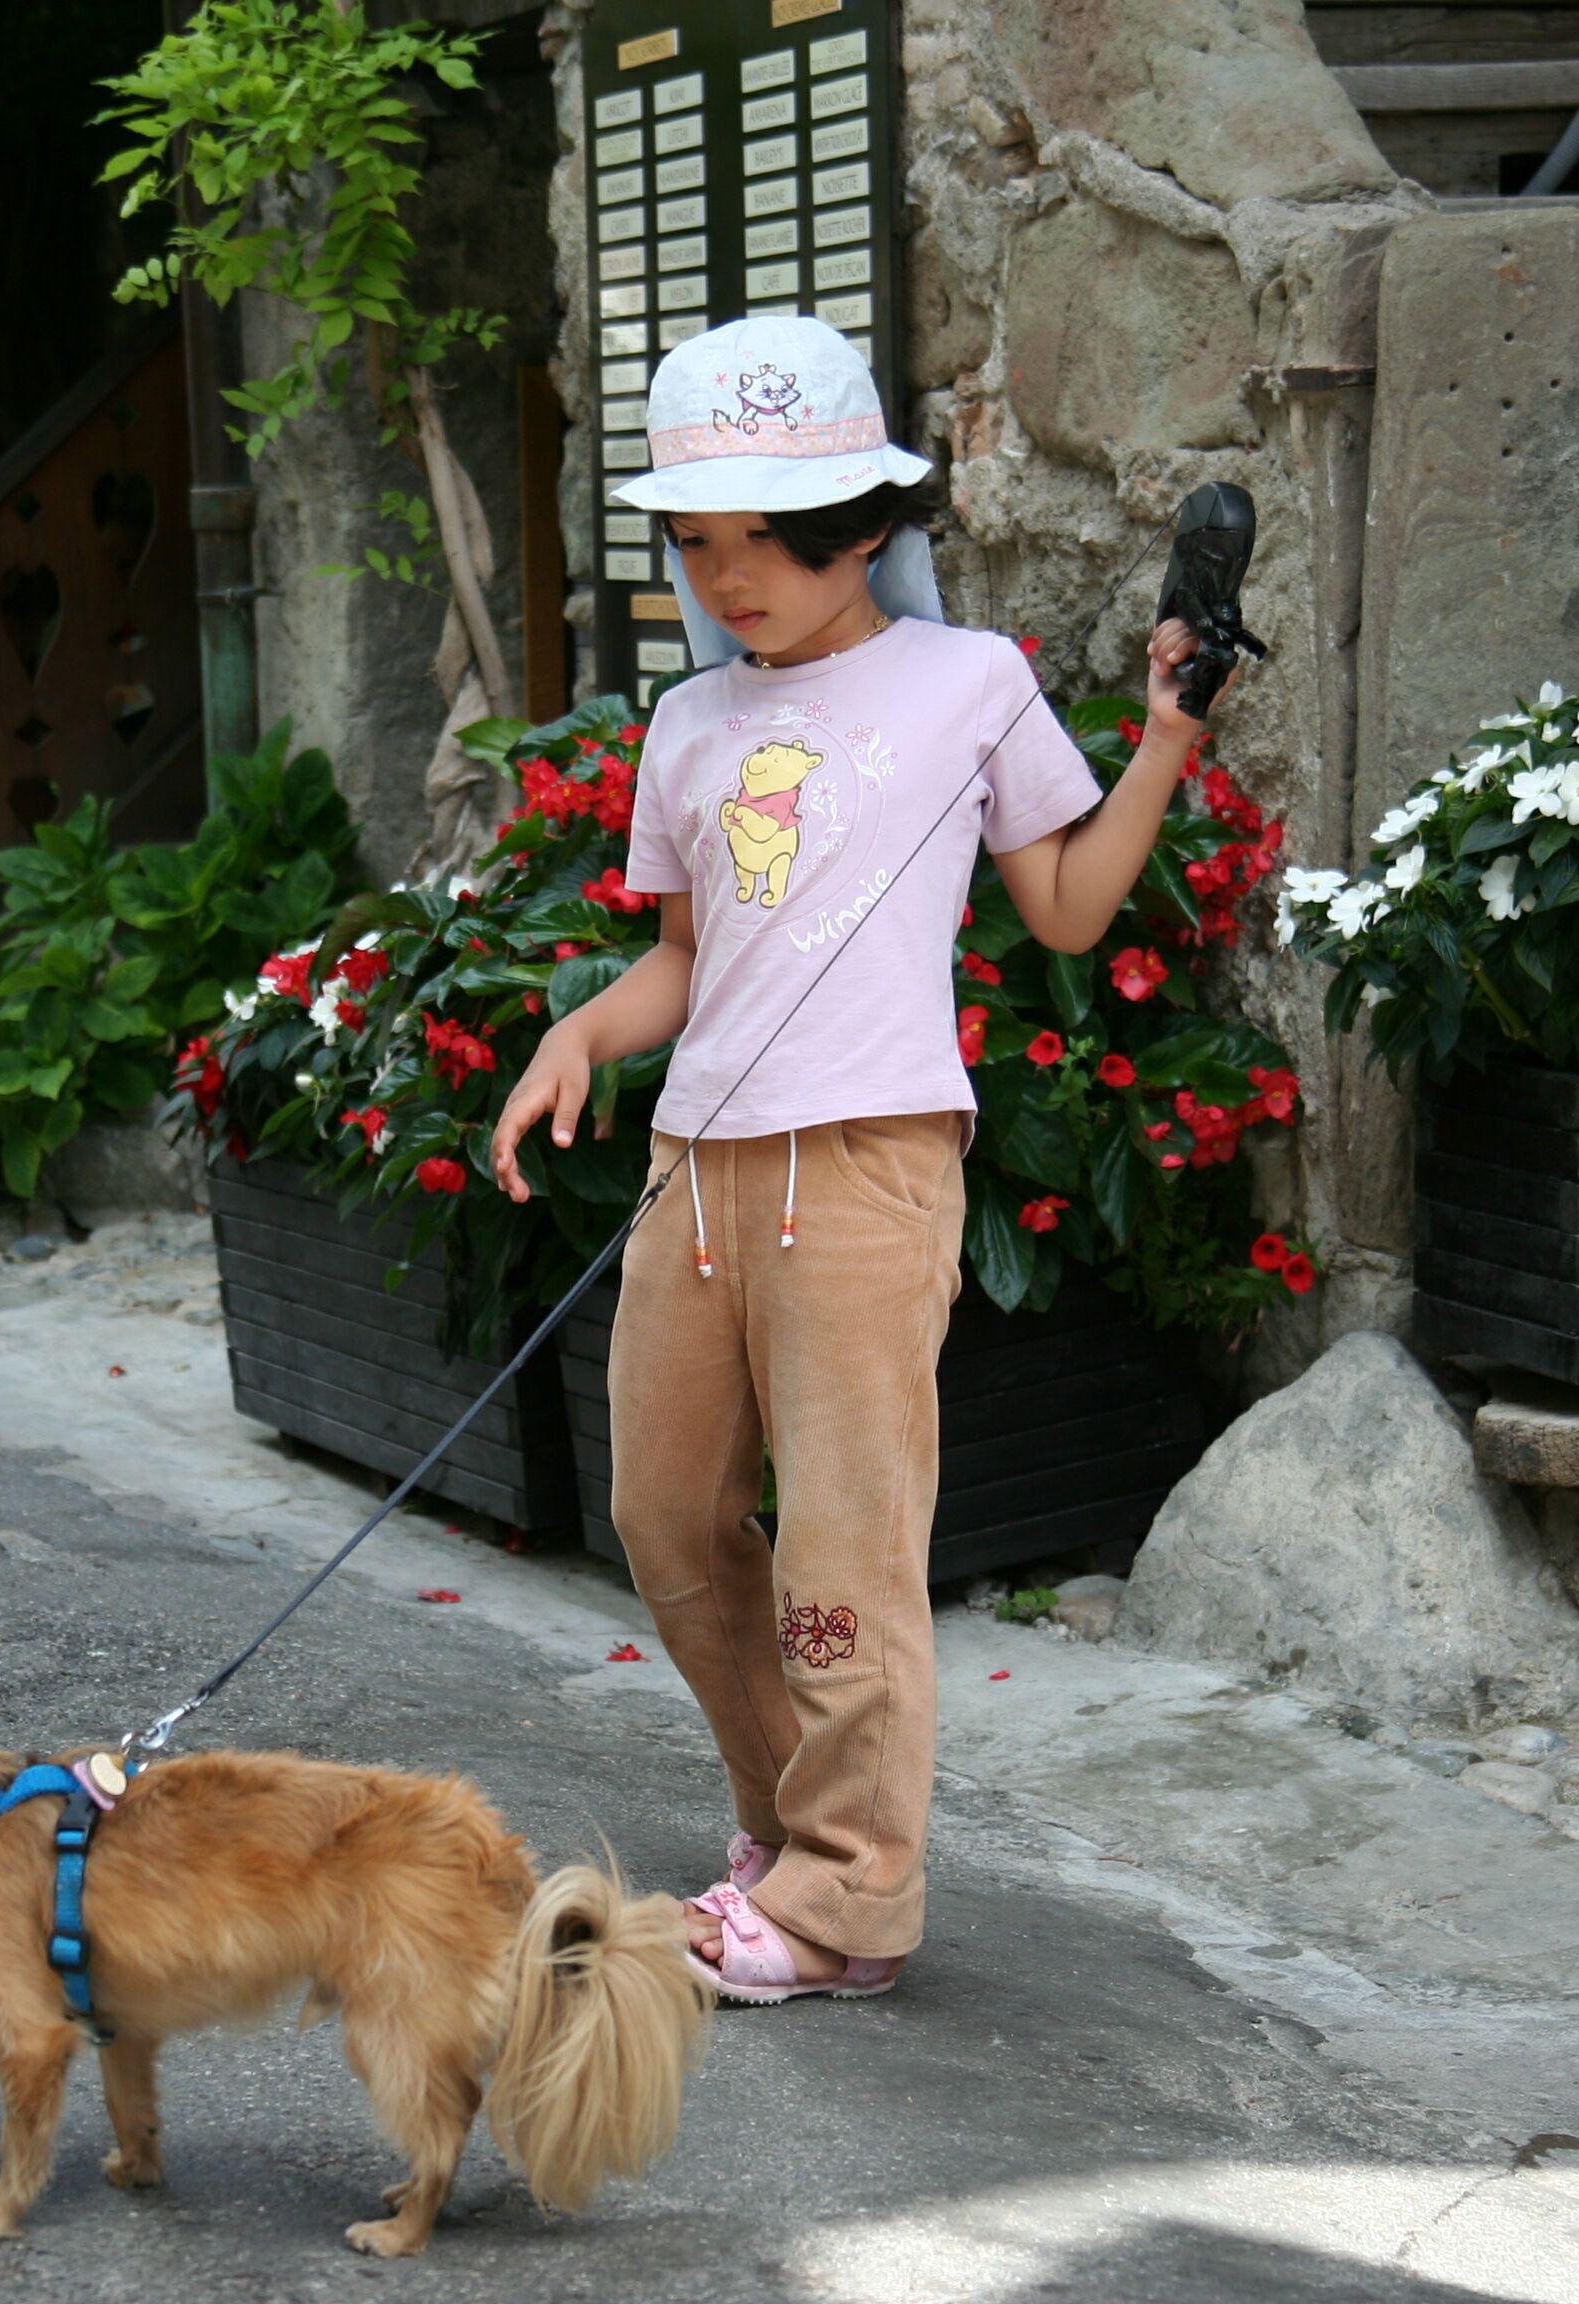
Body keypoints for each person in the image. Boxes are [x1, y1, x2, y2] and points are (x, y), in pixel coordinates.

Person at [487, 318, 1228, 2004]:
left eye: (767, 534)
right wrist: (579, 1036)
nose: (728, 572)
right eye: (696, 539)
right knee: (664, 1511)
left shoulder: (966, 684)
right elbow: (689, 957)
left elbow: (1062, 907)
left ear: (866, 524)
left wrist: (1167, 743)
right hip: (695, 1167)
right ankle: (784, 1829)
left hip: (871, 1158)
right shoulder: (687, 723)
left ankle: (844, 1898)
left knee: (844, 1545)